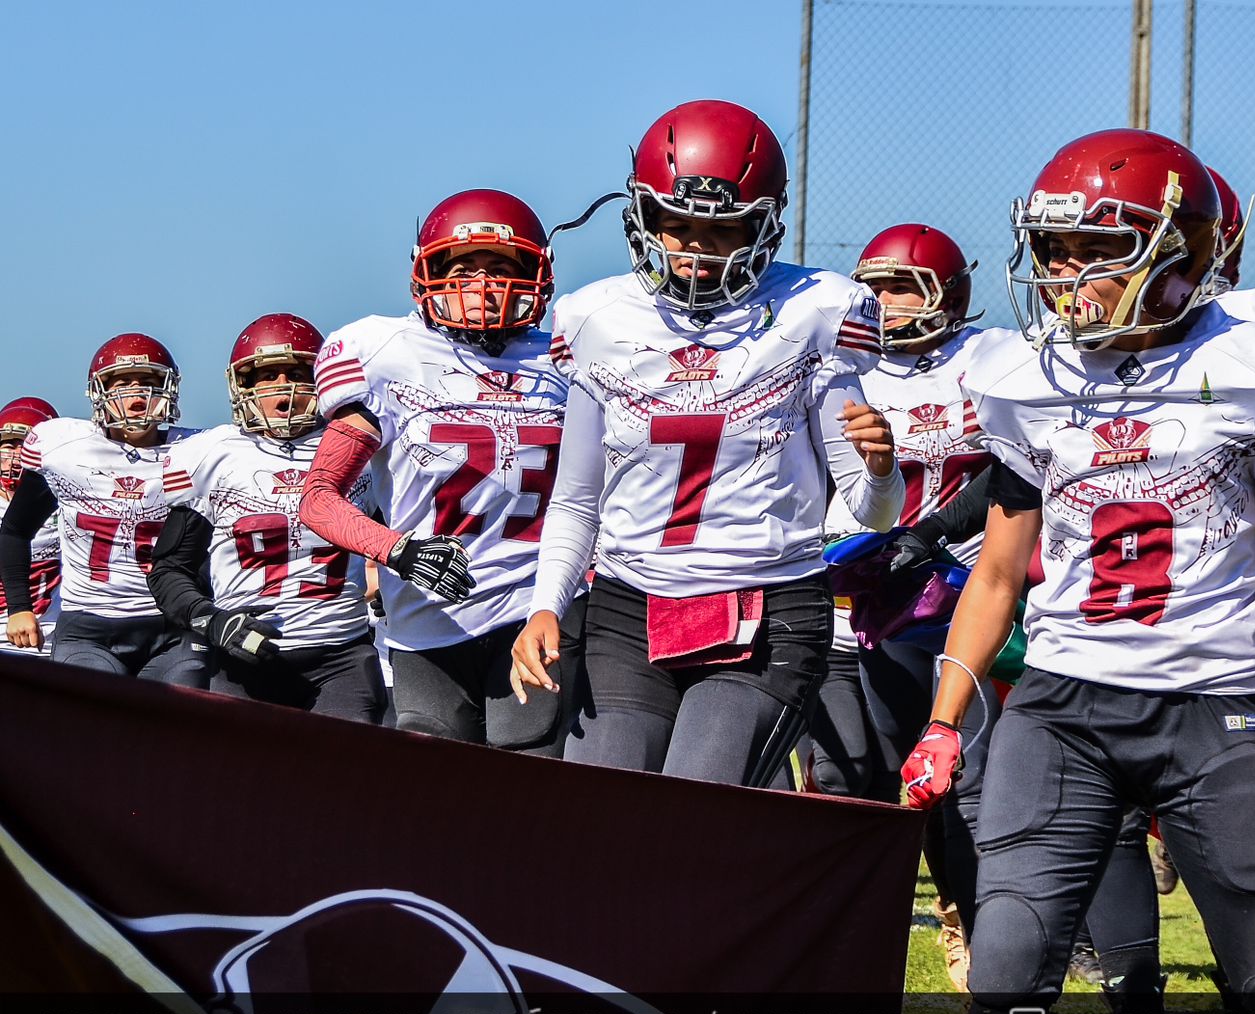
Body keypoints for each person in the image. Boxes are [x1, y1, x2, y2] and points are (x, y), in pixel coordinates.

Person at [902, 129, 1255, 1014]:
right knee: (1008, 971)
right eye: (1056, 251)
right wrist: (944, 717)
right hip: (1059, 707)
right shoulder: (1023, 380)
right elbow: (1001, 573)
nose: (1066, 276)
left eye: (1099, 250)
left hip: (1212, 710)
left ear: (1179, 253)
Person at [511, 99, 905, 789]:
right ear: (642, 219)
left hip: (768, 609)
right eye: (676, 226)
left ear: (764, 227)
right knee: (599, 813)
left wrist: (880, 469)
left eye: (722, 231)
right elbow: (576, 500)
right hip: (631, 610)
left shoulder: (816, 311)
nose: (694, 249)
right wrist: (546, 603)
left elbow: (874, 514)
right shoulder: (596, 318)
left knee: (695, 798)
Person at [299, 188, 583, 754]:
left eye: (502, 267)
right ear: (426, 274)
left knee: (525, 771)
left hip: (534, 604)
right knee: (433, 784)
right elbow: (319, 498)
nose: (483, 285)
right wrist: (396, 550)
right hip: (425, 617)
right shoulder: (386, 352)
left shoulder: (563, 356)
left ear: (535, 275)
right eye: (464, 267)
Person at [816, 223, 1004, 990]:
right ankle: (853, 961)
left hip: (953, 595)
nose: (883, 303)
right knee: (847, 784)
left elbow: (1015, 472)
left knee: (963, 782)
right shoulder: (834, 366)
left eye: (901, 286)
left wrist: (931, 538)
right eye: (875, 286)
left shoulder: (992, 363)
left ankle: (969, 914)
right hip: (849, 604)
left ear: (950, 295)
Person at [147, 313, 385, 722]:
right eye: (267, 377)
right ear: (242, 386)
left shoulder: (359, 452)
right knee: (241, 781)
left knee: (346, 774)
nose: (284, 391)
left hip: (341, 654)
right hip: (245, 656)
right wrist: (212, 620)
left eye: (297, 374)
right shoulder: (213, 456)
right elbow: (168, 570)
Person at [0, 335, 207, 685]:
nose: (136, 394)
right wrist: (20, 607)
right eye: (122, 383)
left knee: (180, 729)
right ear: (99, 391)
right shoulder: (64, 449)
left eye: (149, 382)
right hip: (89, 626)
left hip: (174, 625)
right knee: (87, 729)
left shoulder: (200, 451)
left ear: (169, 388)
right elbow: (15, 530)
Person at [0, 397, 62, 655]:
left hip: (49, 634)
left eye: (24, 445)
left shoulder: (67, 499)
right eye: (8, 444)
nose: (15, 455)